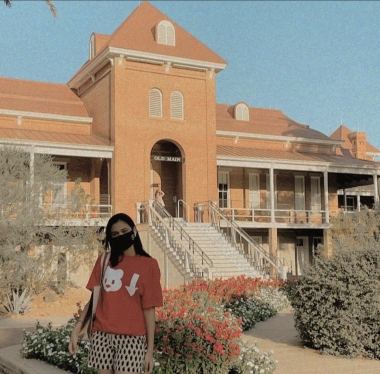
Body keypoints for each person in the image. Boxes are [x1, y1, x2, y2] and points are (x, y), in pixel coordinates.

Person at [68, 213, 163, 374]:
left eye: (124, 231)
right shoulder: (104, 261)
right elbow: (94, 299)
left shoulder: (149, 265)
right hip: (102, 336)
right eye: (115, 234)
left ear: (133, 231)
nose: (120, 236)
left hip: (132, 339)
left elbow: (149, 309)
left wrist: (149, 351)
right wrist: (77, 327)